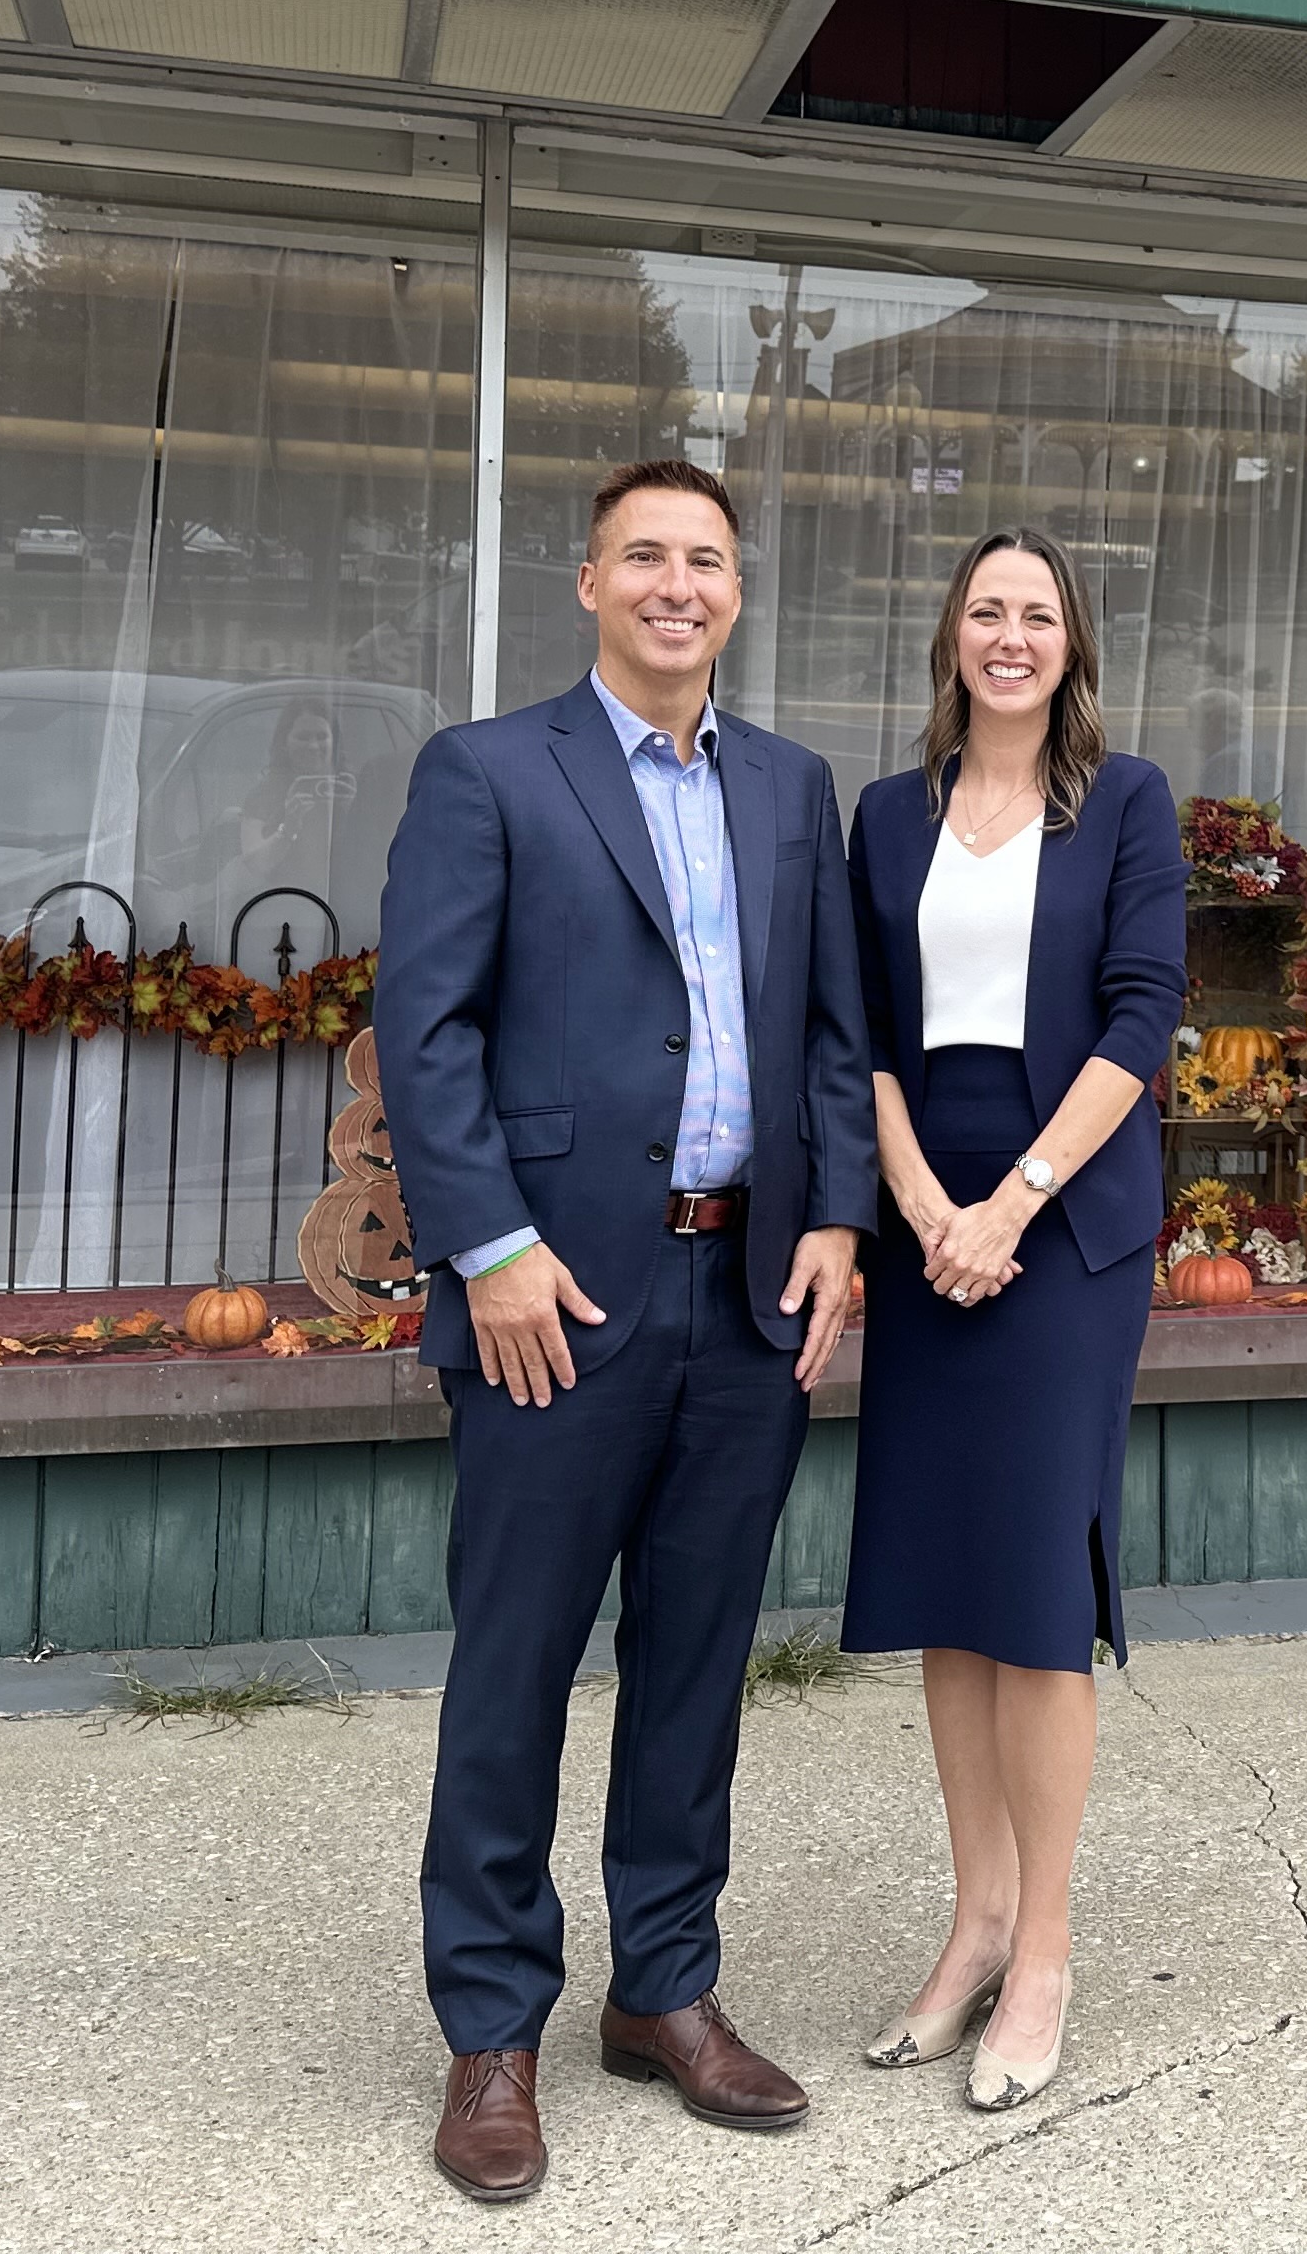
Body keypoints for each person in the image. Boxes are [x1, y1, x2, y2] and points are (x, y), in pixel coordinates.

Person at [375, 459, 876, 2207]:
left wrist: (833, 1220)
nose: (679, 586)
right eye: (646, 558)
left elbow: (833, 1030)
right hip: (553, 1300)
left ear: (740, 593)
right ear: (588, 583)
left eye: (709, 562)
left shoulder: (794, 789)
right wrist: (486, 1247)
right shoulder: (490, 772)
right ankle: (492, 2028)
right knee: (514, 1664)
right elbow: (422, 1028)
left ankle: (663, 1988)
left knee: (697, 1664)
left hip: (743, 1297)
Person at [841, 526, 1186, 2113]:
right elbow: (871, 1040)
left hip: (1064, 1220)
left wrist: (1015, 1204)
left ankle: (1044, 1942)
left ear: (1072, 643)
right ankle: (975, 1919)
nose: (1010, 635)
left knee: (1037, 1589)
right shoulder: (885, 815)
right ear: (950, 636)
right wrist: (918, 1204)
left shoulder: (1124, 803)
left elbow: (1141, 1017)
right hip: (934, 1220)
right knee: (946, 1584)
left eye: (1037, 614)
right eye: (986, 609)